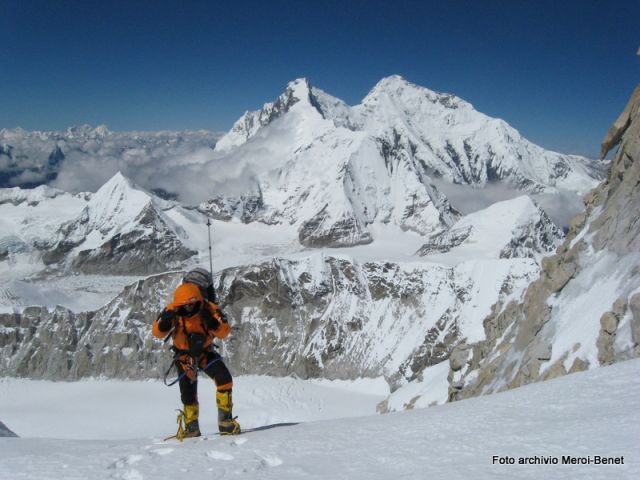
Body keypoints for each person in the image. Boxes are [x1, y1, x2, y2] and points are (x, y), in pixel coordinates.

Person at [152, 278, 240, 436]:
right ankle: (192, 428)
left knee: (224, 379)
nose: (189, 307)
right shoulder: (172, 311)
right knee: (188, 393)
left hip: (205, 352)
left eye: (192, 303)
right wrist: (165, 323)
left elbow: (224, 331)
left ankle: (225, 422)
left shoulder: (208, 309)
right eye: (185, 304)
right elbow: (157, 332)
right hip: (184, 357)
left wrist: (211, 322)